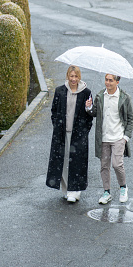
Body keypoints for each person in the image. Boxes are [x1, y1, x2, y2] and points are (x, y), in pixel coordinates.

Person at [46, 65, 93, 203]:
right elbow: (54, 111)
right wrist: (57, 125)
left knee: (77, 162)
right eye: (71, 76)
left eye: (76, 76)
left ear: (79, 77)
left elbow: (91, 114)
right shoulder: (60, 91)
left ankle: (75, 190)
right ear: (67, 76)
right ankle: (66, 189)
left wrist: (89, 107)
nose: (73, 79)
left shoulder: (86, 92)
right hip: (62, 132)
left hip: (78, 134)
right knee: (64, 160)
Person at [85, 73, 133, 204]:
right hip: (104, 137)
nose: (107, 83)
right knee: (104, 166)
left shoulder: (124, 98)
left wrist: (126, 137)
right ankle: (107, 192)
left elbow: (130, 119)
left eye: (111, 80)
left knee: (117, 164)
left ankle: (123, 187)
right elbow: (94, 113)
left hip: (118, 137)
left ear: (117, 82)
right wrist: (89, 107)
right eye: (106, 80)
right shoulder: (100, 96)